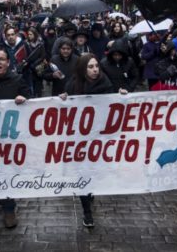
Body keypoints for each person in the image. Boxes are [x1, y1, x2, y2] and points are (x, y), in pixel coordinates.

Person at [59, 53, 115, 228]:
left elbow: (115, 107)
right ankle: (87, 212)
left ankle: (89, 190)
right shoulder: (73, 84)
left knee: (93, 171)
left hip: (100, 137)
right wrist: (62, 99)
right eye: (90, 67)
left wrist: (122, 96)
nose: (95, 70)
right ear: (83, 69)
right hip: (80, 138)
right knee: (83, 172)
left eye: (96, 66)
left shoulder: (106, 84)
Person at [0, 47, 30, 228]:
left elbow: (31, 100)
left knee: (7, 170)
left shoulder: (18, 80)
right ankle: (3, 198)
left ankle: (9, 207)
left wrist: (24, 97)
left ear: (8, 62)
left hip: (11, 137)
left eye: (1, 59)